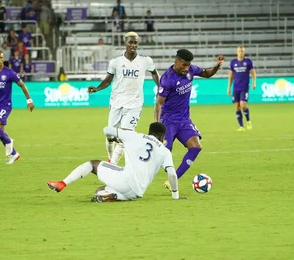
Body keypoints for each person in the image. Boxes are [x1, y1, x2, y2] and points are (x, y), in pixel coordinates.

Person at [47, 122, 183, 202]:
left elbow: (107, 130)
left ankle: (62, 183)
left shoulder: (134, 136)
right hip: (137, 192)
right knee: (100, 190)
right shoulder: (165, 151)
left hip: (125, 179)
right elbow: (172, 174)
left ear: (149, 132)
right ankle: (111, 195)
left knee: (93, 164)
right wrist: (175, 196)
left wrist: (113, 138)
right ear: (162, 136)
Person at [88, 31, 160, 165]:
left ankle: (112, 164)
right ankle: (110, 157)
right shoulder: (116, 62)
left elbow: (155, 73)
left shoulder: (145, 60)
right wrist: (97, 88)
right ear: (125, 43)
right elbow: (108, 80)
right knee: (110, 136)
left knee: (125, 136)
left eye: (135, 43)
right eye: (130, 42)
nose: (133, 45)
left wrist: (161, 88)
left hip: (134, 104)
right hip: (116, 103)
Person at [155, 49, 224, 188]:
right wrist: (158, 126)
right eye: (184, 65)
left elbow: (207, 74)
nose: (186, 68)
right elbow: (159, 103)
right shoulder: (167, 79)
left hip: (184, 120)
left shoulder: (191, 70)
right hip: (168, 121)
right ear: (176, 62)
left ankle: (172, 180)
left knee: (196, 147)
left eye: (188, 65)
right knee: (163, 154)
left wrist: (216, 66)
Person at [226, 46, 256, 131]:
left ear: (244, 52)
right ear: (237, 52)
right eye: (239, 51)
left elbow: (253, 73)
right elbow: (231, 76)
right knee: (237, 107)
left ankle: (248, 121)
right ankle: (241, 126)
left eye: (242, 51)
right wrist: (229, 87)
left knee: (243, 105)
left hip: (244, 87)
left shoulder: (248, 62)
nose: (241, 53)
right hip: (236, 88)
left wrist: (254, 83)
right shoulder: (233, 62)